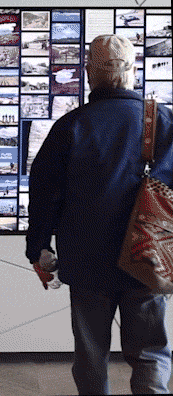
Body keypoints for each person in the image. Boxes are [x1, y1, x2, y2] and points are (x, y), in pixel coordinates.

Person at [25, 34, 173, 394]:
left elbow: (45, 195)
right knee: (150, 352)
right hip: (147, 256)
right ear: (133, 71)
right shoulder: (164, 122)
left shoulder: (71, 126)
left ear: (89, 72)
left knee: (90, 354)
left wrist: (38, 248)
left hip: (86, 259)